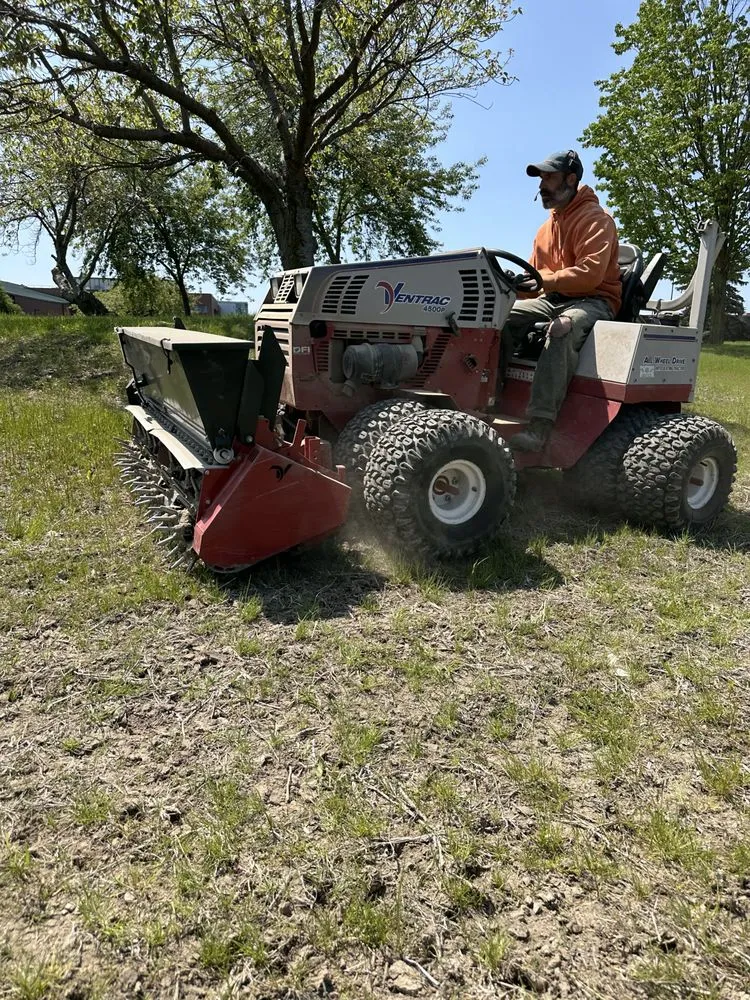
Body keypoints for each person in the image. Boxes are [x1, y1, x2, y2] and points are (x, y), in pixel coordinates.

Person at [502, 150, 622, 452]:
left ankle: (539, 428)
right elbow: (534, 280)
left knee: (561, 329)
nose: (542, 184)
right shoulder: (545, 229)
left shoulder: (597, 219)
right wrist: (506, 292)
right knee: (498, 317)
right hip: (553, 297)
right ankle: (490, 399)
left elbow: (590, 276)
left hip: (594, 300)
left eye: (549, 177)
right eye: (541, 178)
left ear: (571, 179)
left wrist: (543, 281)